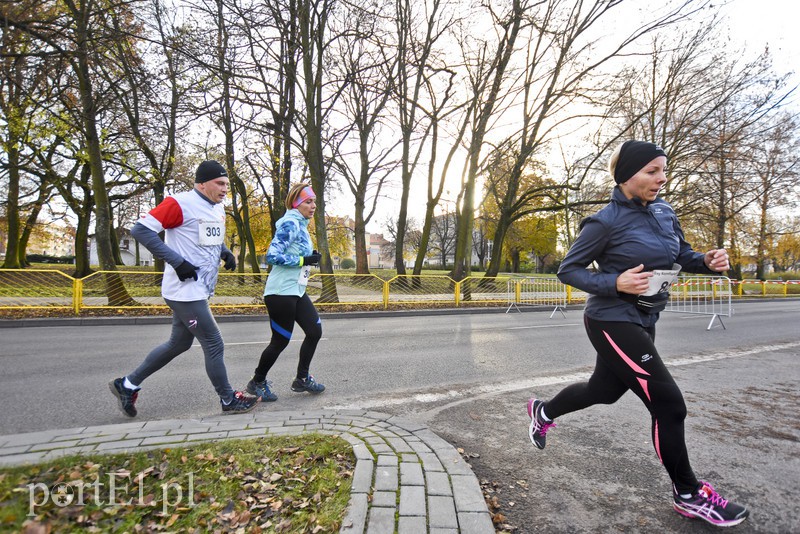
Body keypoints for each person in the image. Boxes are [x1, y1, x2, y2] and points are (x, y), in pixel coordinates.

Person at [527, 140, 749, 527]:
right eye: (652, 171)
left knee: (604, 391)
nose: (662, 179)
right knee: (669, 404)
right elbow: (568, 269)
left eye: (663, 170)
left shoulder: (664, 212)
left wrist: (707, 261)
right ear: (627, 176)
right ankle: (688, 494)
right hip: (611, 319)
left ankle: (543, 411)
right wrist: (616, 283)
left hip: (645, 319)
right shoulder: (605, 221)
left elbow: (682, 254)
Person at [109, 160, 259, 417]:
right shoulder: (179, 203)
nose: (225, 189)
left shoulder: (216, 209)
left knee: (178, 344)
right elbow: (141, 231)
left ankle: (127, 384)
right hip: (184, 289)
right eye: (220, 184)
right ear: (202, 184)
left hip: (200, 288)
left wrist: (225, 252)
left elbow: (207, 236)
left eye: (227, 185)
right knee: (213, 342)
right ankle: (227, 399)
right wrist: (177, 262)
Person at [245, 183, 325, 402]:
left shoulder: (302, 225)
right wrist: (303, 260)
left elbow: (296, 253)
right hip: (280, 292)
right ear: (296, 203)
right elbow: (272, 256)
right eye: (308, 202)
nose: (313, 206)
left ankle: (301, 379)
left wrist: (310, 257)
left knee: (314, 331)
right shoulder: (290, 223)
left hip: (296, 290)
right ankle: (257, 381)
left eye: (314, 201)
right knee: (280, 341)